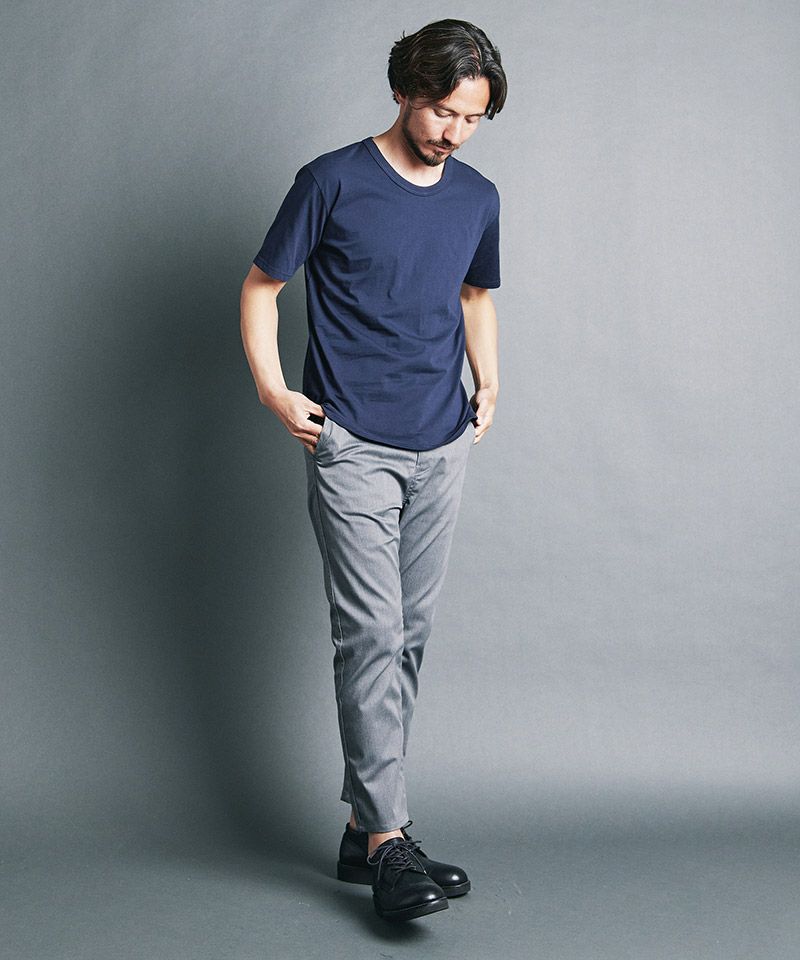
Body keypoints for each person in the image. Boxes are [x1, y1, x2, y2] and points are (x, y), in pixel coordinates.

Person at [240, 18, 506, 922]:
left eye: (471, 118)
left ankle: (363, 831)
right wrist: (274, 390)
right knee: (371, 635)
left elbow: (475, 293)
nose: (453, 132)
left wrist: (491, 380)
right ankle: (393, 842)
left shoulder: (477, 196)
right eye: (442, 110)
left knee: (410, 635)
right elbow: (262, 287)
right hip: (352, 441)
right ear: (403, 91)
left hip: (442, 442)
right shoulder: (331, 181)